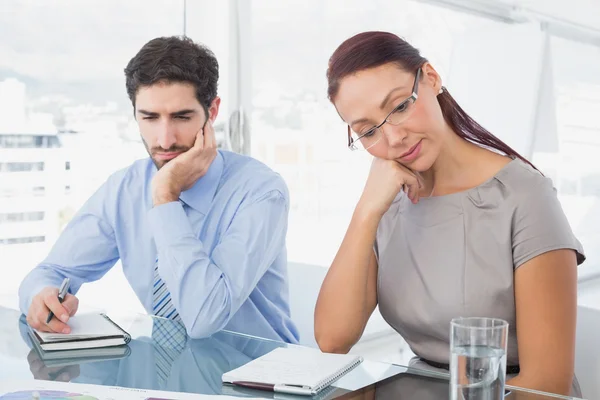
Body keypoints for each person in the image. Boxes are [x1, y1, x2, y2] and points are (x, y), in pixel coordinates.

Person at [314, 31, 585, 396]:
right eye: (368, 131)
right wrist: (366, 212)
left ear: (431, 78)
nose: (393, 139)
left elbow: (547, 383)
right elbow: (332, 340)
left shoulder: (524, 196)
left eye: (399, 107)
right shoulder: (386, 201)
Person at [19, 36, 299, 343]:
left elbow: (205, 318)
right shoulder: (125, 189)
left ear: (212, 111)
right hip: (167, 377)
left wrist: (165, 198)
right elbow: (53, 271)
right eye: (150, 118)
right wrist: (40, 295)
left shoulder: (260, 192)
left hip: (254, 380)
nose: (165, 139)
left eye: (181, 117)